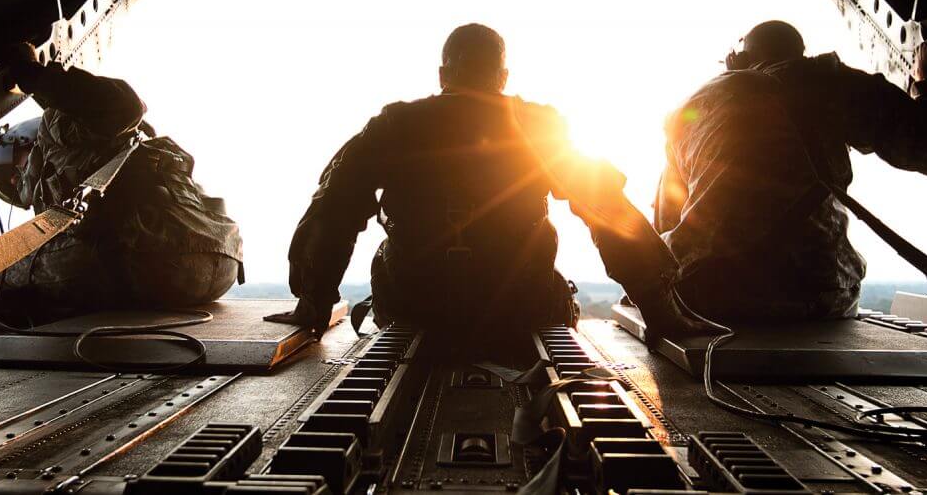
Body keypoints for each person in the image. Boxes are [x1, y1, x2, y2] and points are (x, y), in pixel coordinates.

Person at [267, 23, 704, 338]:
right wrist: (659, 308)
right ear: (503, 77)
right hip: (520, 306)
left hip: (415, 307)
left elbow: (335, 207)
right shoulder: (540, 125)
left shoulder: (394, 124)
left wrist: (313, 304)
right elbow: (606, 205)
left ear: (442, 75)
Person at [655, 20, 927, 325]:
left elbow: (667, 220)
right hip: (808, 297)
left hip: (703, 297)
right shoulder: (821, 81)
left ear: (738, 60)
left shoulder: (686, 112)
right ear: (797, 54)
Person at [0, 43, 244, 320]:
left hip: (159, 259)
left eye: (10, 168)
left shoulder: (59, 131)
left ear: (23, 143)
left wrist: (32, 75)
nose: (13, 179)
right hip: (218, 260)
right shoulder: (116, 146)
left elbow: (126, 107)